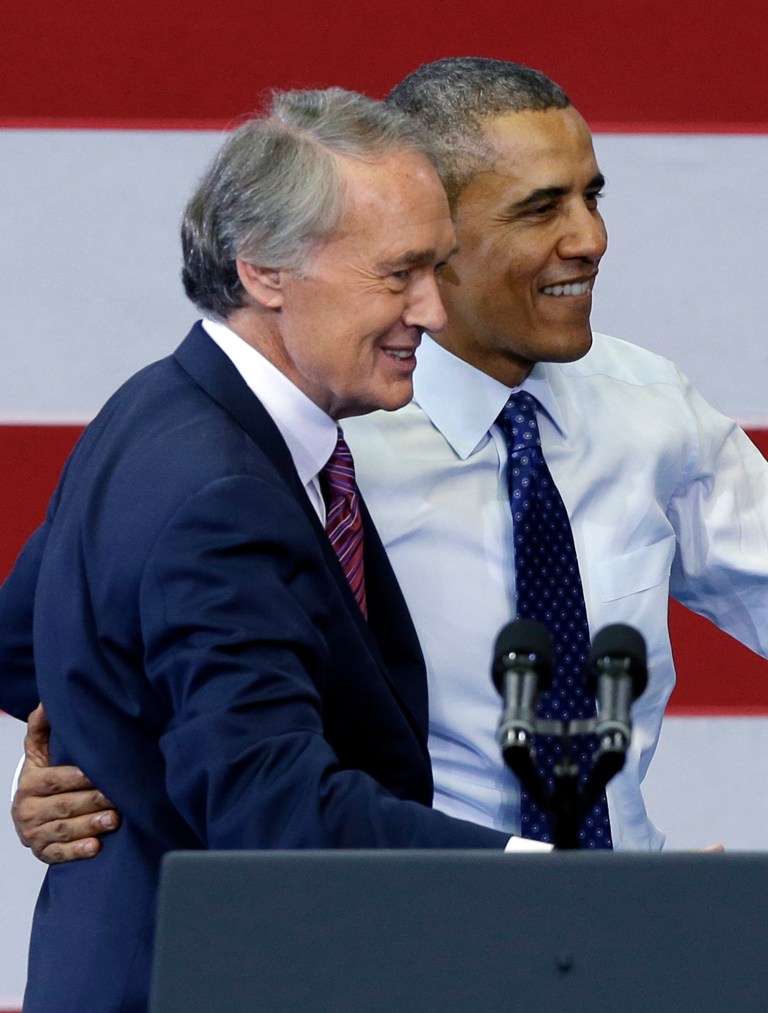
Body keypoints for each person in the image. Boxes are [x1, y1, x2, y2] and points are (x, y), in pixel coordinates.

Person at [13, 57, 768, 857]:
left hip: (617, 925)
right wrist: (93, 770)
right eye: (540, 208)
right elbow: (56, 633)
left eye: (592, 196)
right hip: (402, 931)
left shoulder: (651, 405)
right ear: (433, 229)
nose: (590, 240)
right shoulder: (309, 438)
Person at [0, 87, 516, 1013]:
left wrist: (94, 746)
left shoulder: (154, 404)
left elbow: (19, 642)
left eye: (438, 269)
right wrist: (542, 883)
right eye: (398, 274)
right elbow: (272, 807)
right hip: (196, 981)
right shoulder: (221, 491)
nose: (434, 310)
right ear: (266, 271)